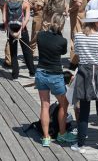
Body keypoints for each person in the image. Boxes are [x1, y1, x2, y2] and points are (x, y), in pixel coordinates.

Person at [70, 10, 98, 154]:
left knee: (84, 111)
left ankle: (81, 144)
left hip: (84, 73)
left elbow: (76, 56)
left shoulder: (78, 36)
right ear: (96, 22)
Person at [35, 13, 75, 147]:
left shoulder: (41, 35)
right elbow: (63, 52)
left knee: (45, 105)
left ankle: (46, 137)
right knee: (64, 104)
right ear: (62, 25)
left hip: (41, 73)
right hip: (55, 75)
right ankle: (62, 134)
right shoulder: (62, 41)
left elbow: (39, 38)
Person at [3, 0, 35, 80]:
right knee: (27, 51)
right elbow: (27, 19)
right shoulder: (25, 3)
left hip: (11, 28)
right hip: (22, 29)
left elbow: (4, 18)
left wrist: (9, 28)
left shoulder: (7, 2)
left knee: (13, 53)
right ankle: (32, 72)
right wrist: (21, 29)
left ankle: (15, 75)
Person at [68, 0, 90, 67]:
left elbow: (78, 2)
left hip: (76, 16)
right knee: (83, 37)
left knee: (75, 38)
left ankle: (74, 61)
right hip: (83, 15)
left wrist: (70, 9)